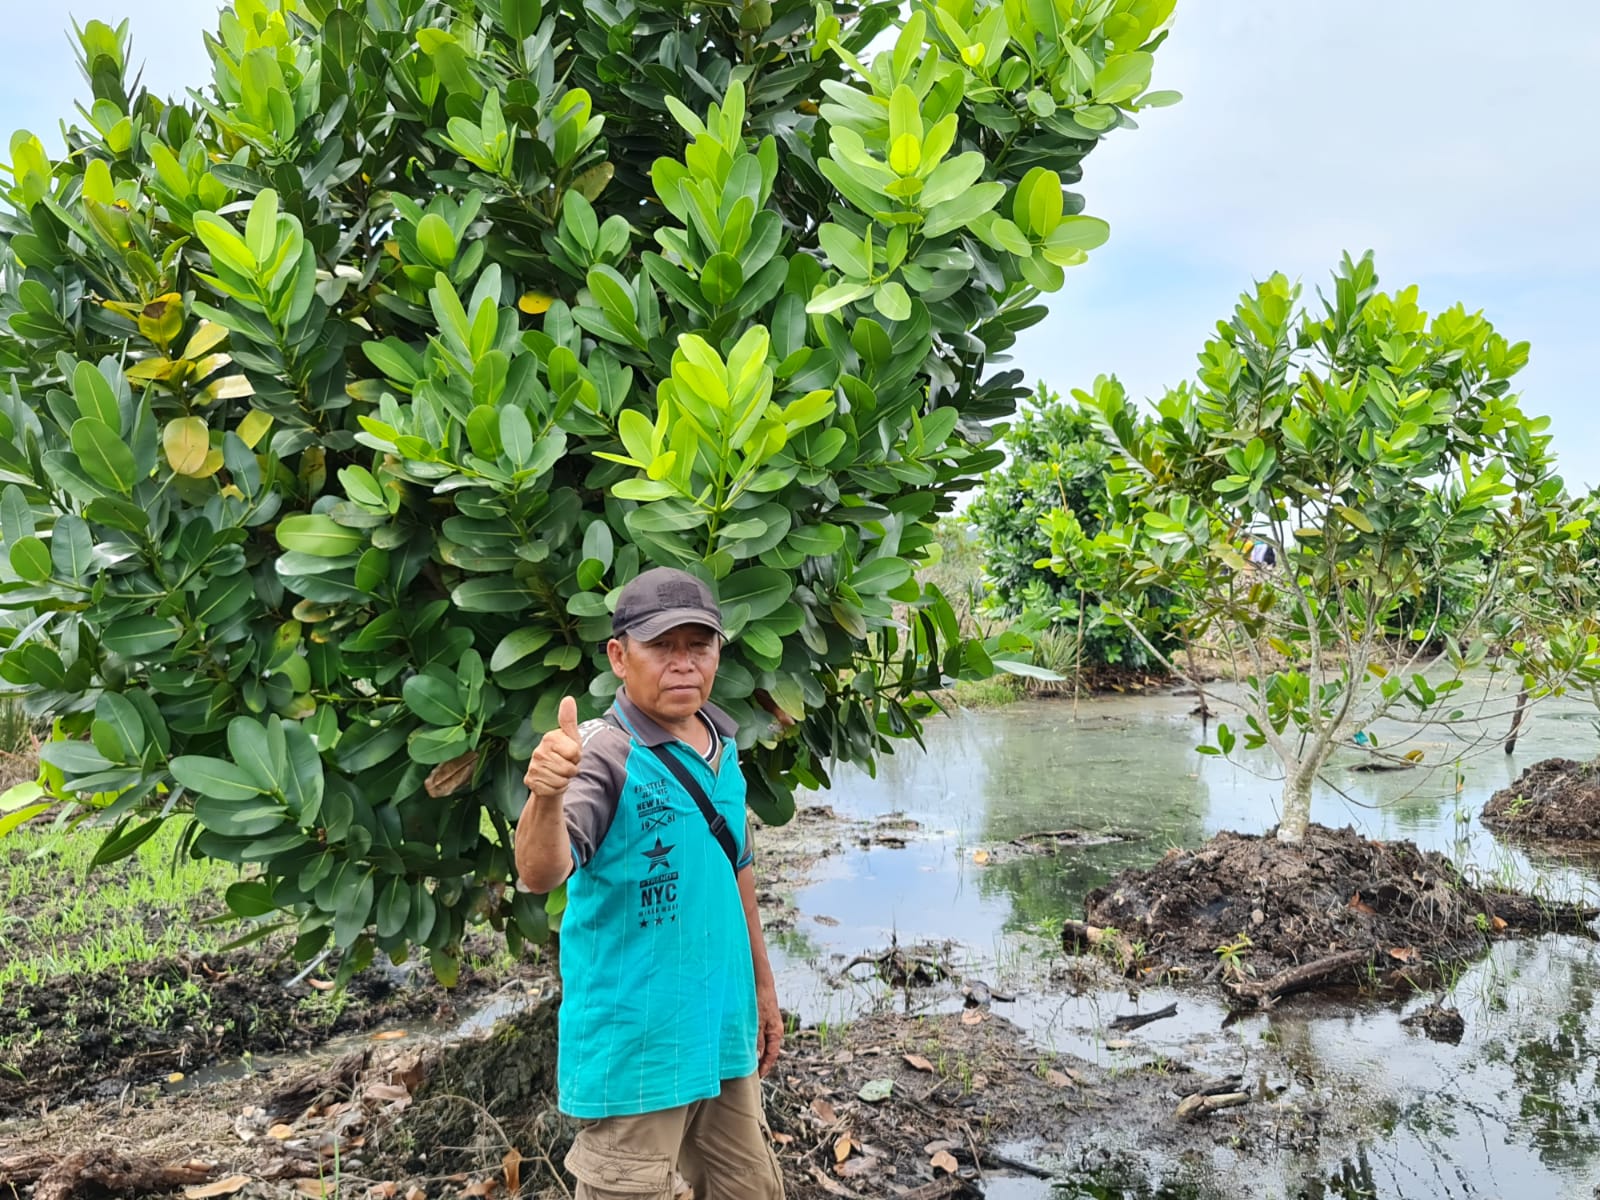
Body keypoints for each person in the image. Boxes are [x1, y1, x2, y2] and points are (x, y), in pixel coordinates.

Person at [514, 566, 786, 1200]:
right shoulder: (601, 754)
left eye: (700, 645)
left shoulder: (722, 741)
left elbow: (736, 867)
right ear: (619, 655)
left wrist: (763, 989)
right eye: (662, 646)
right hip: (640, 1052)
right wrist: (546, 796)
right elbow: (538, 870)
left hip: (719, 1034)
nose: (684, 663)